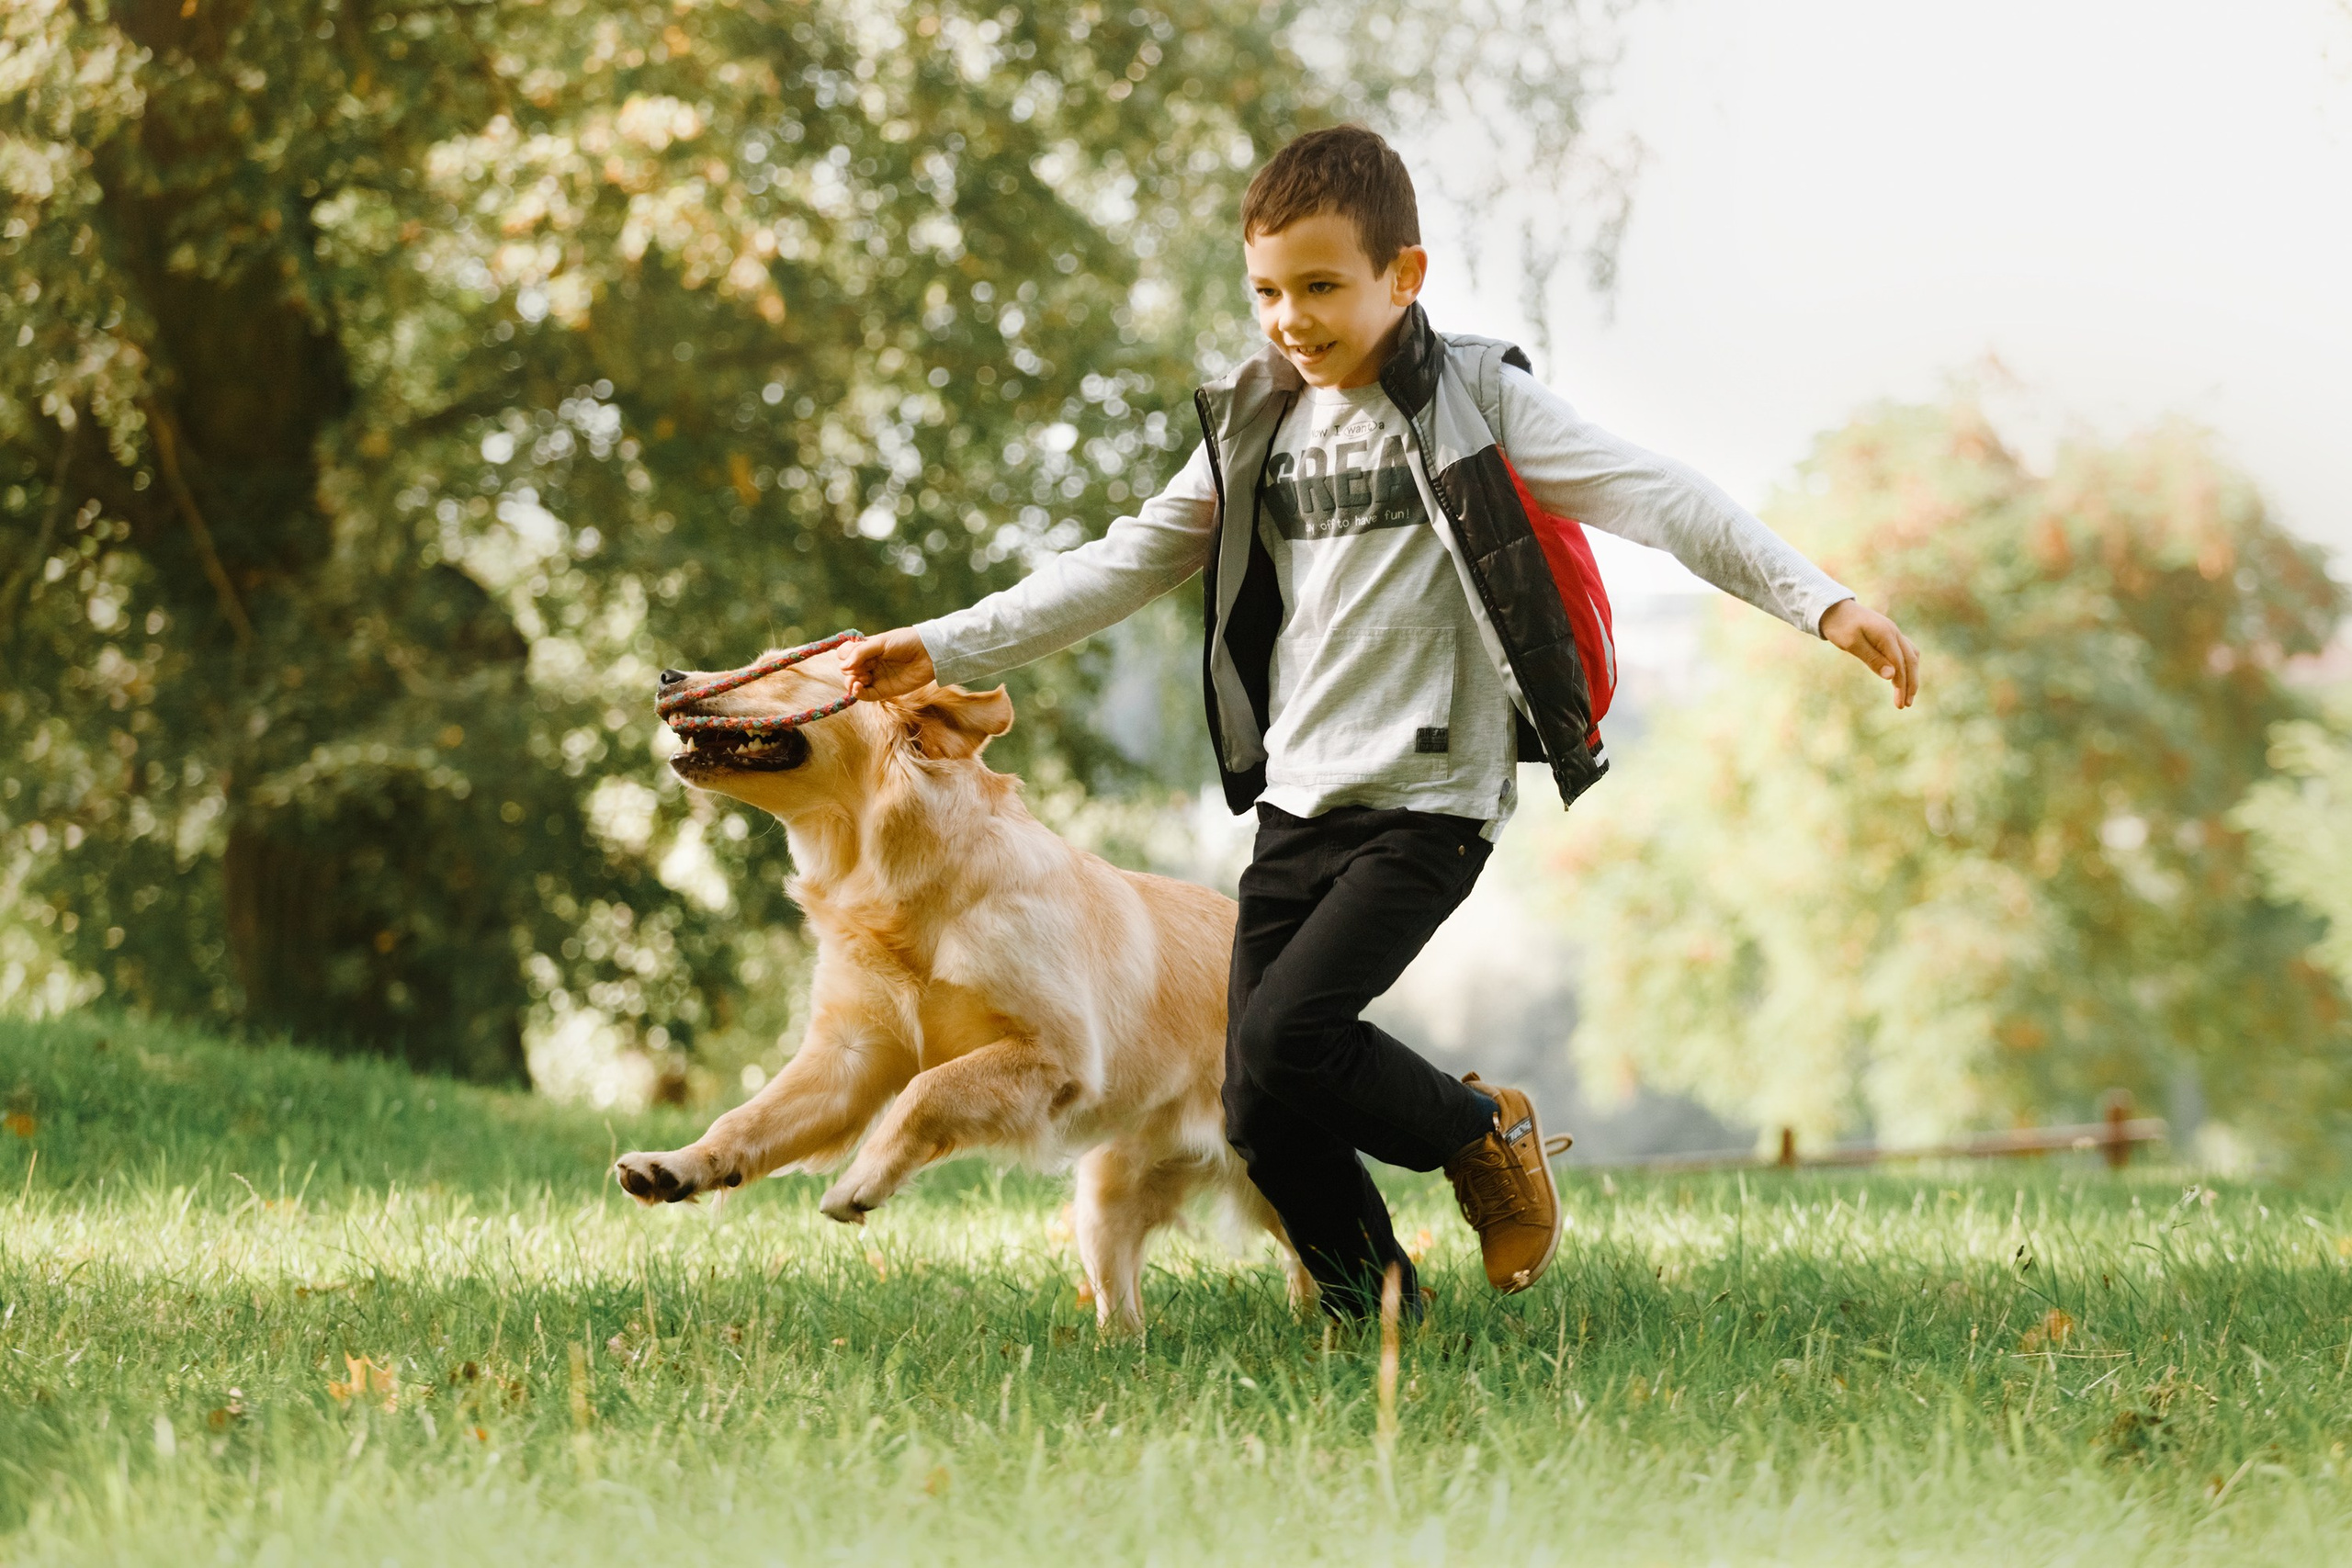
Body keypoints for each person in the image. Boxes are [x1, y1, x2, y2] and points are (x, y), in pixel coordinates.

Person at [842, 125, 1920, 1320]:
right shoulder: (1256, 421)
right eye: (1267, 291)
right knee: (1256, 1097)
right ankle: (1382, 1313)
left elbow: (1655, 492)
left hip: (1430, 802)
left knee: (1288, 1042)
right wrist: (943, 644)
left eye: (1320, 287)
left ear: (1403, 276)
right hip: (1303, 797)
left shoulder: (1476, 399)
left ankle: (1479, 1132)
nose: (1291, 319)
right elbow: (1121, 562)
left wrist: (1819, 600)